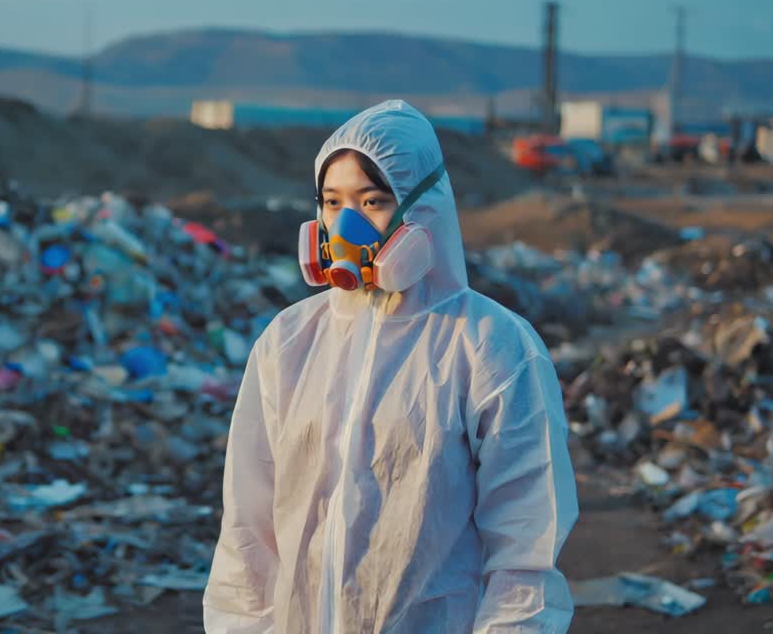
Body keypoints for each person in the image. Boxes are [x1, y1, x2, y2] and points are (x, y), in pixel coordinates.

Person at [202, 100, 578, 633]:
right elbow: (248, 532)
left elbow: (526, 547)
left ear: (423, 209)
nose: (346, 224)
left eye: (372, 201)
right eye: (332, 202)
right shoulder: (289, 342)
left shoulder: (490, 346)